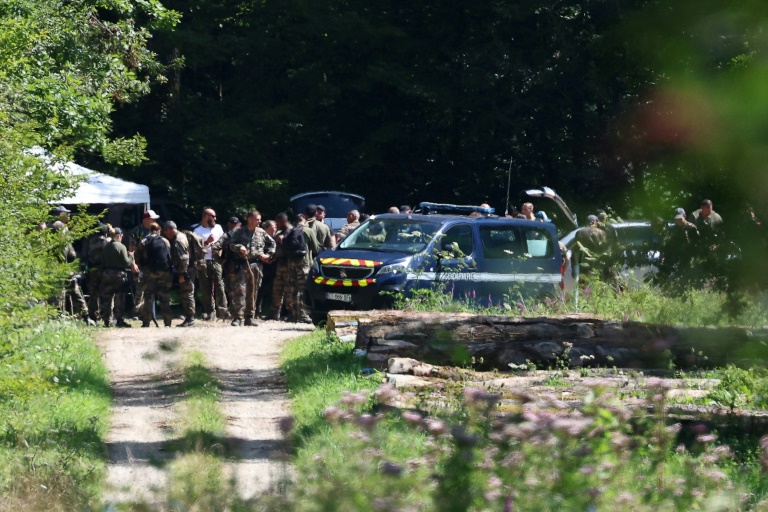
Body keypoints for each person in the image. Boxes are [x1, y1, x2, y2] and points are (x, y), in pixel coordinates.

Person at [228, 210, 275, 326]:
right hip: (243, 264)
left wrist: (268, 255)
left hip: (257, 265)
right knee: (240, 290)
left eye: (260, 219)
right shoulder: (239, 231)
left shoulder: (261, 232)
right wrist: (239, 247)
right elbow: (231, 245)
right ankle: (238, 317)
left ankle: (250, 316)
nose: (260, 221)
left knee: (253, 290)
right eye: (257, 219)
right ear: (249, 219)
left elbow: (272, 243)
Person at [273, 213, 319, 322]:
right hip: (304, 264)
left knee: (293, 289)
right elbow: (316, 248)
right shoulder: (308, 231)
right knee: (303, 289)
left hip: (291, 263)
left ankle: (294, 314)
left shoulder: (290, 231)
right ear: (305, 220)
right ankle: (303, 315)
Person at [135, 222, 173, 327]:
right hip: (164, 272)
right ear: (159, 230)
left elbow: (137, 257)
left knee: (148, 297)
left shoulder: (144, 241)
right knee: (164, 296)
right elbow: (169, 256)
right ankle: (168, 322)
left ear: (149, 230)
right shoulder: (165, 241)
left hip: (149, 273)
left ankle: (146, 322)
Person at [193, 207, 227, 321]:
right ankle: (210, 312)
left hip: (216, 260)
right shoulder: (197, 231)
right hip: (204, 261)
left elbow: (224, 242)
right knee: (205, 287)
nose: (215, 218)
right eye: (213, 216)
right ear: (206, 216)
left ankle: (223, 311)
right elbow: (195, 249)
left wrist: (220, 253)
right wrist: (207, 242)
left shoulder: (218, 228)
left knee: (220, 285)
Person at [129, 209, 161, 317]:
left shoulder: (155, 230)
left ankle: (148, 312)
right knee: (140, 290)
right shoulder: (136, 231)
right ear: (147, 219)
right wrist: (133, 263)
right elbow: (131, 250)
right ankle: (137, 312)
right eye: (153, 219)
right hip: (140, 264)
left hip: (152, 265)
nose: (155, 221)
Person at [99, 227, 132, 327]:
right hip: (119, 275)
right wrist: (131, 256)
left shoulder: (105, 247)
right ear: (118, 236)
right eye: (121, 235)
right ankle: (119, 320)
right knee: (119, 297)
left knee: (107, 298)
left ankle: (107, 320)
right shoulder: (121, 246)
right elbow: (126, 262)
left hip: (107, 274)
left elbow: (102, 262)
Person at [164, 221, 195, 327]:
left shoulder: (178, 240)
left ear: (169, 229)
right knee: (187, 293)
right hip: (187, 269)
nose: (165, 234)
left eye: (166, 231)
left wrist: (182, 274)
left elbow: (184, 259)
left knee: (187, 293)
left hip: (186, 270)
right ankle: (189, 317)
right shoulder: (181, 236)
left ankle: (190, 318)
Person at [86, 225, 111, 322]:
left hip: (93, 269)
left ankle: (93, 315)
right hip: (103, 269)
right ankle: (105, 316)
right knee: (105, 293)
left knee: (93, 293)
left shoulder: (91, 241)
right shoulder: (106, 242)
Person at [257, 219, 278, 318]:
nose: (274, 230)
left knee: (272, 290)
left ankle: (269, 311)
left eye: (275, 228)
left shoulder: (276, 238)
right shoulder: (261, 238)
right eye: (272, 228)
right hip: (262, 267)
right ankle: (257, 310)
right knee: (260, 289)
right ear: (266, 229)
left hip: (273, 267)